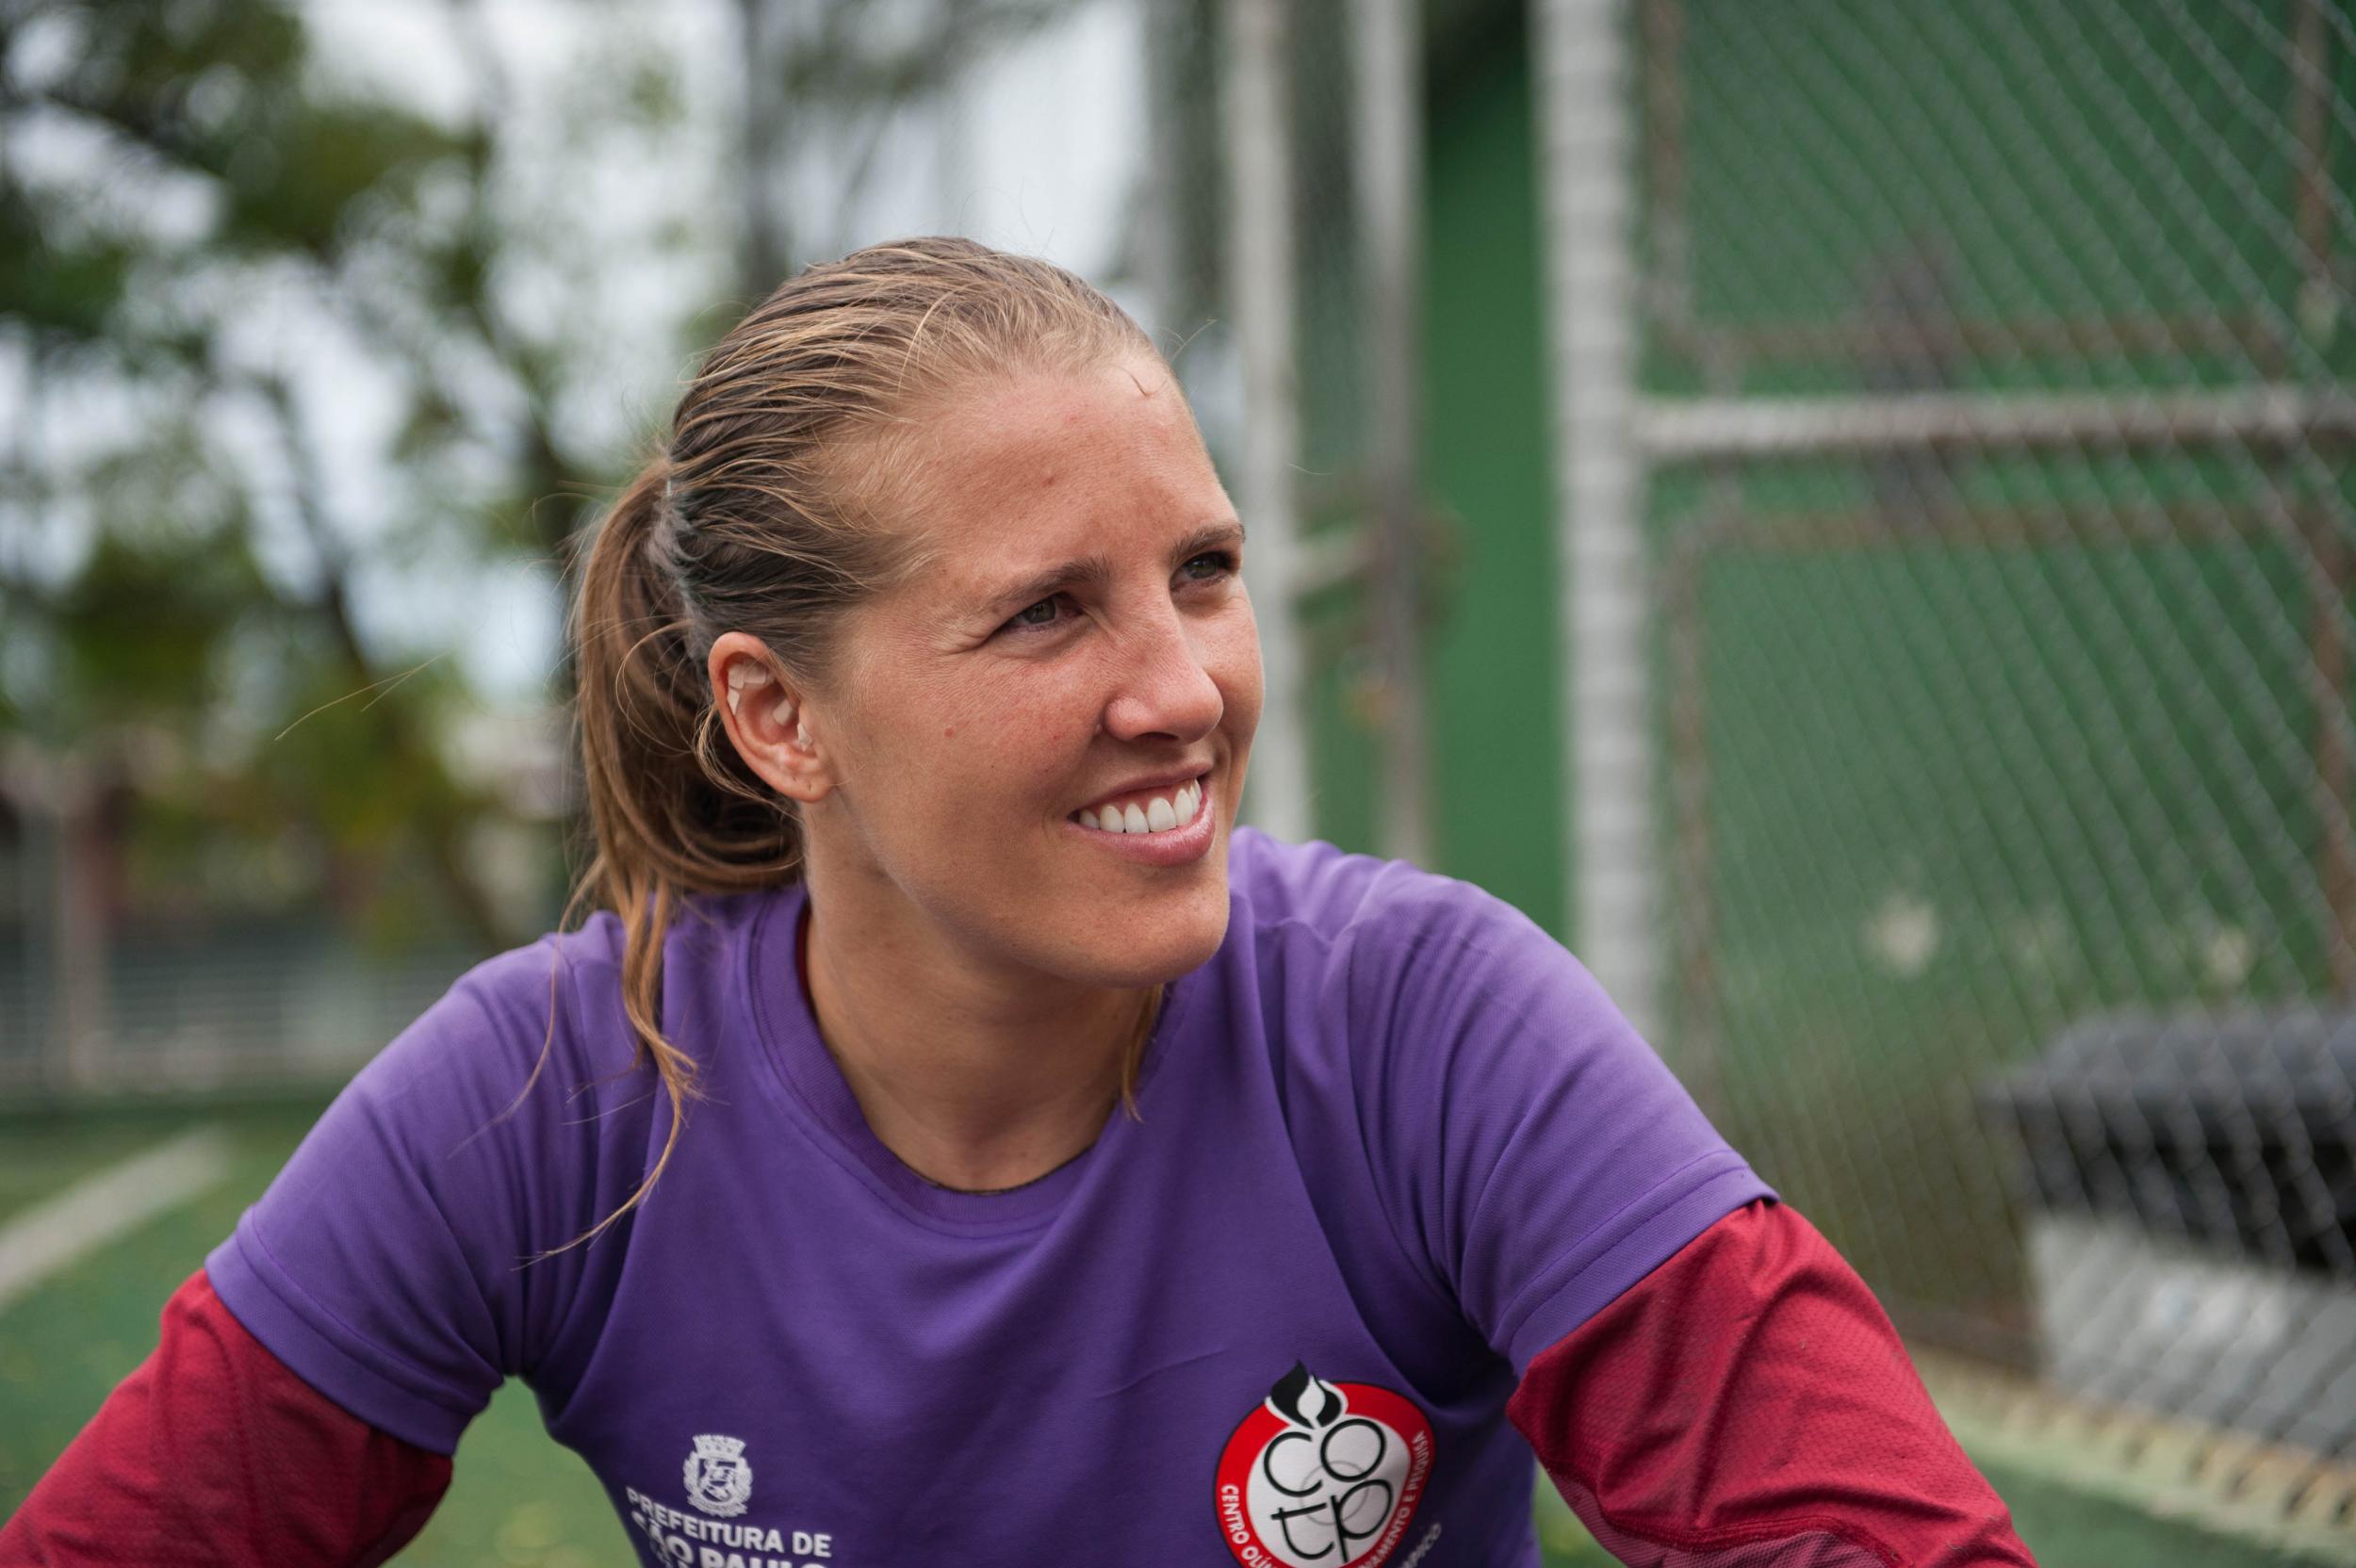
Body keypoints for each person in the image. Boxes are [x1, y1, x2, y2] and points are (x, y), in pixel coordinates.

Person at [2, 238, 2036, 1568]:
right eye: (1048, 609)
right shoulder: (553, 1092)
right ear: (777, 712)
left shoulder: (1422, 1026)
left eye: (1202, 571)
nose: (1182, 688)